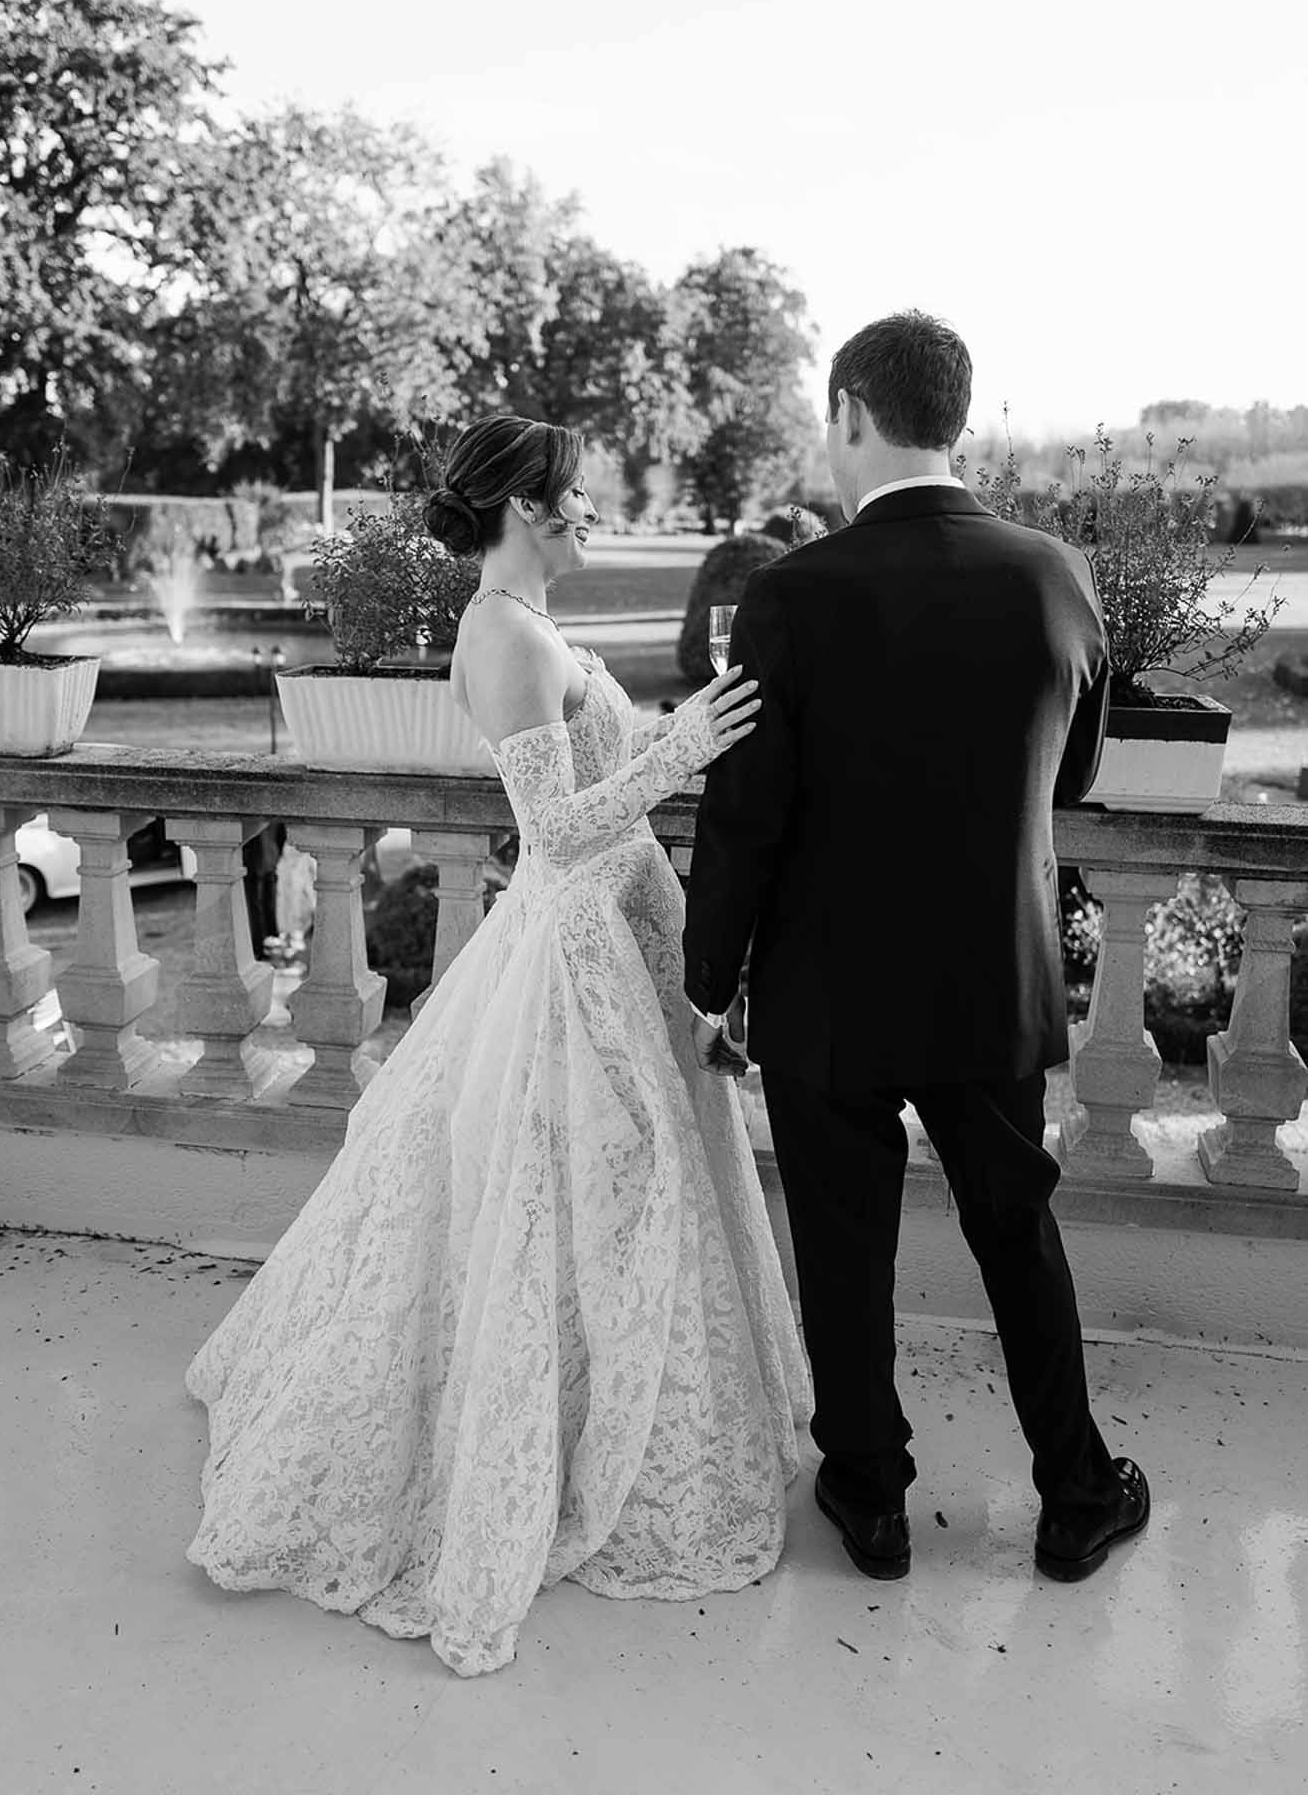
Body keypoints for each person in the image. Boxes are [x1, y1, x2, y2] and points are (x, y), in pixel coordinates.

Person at [185, 412, 810, 1678]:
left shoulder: (525, 626)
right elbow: (555, 827)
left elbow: (597, 828)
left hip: (611, 936)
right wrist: (681, 749)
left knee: (616, 1201)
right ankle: (559, 1443)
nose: (591, 512)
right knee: (579, 1203)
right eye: (576, 495)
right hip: (567, 959)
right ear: (526, 506)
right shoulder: (503, 633)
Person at [682, 311, 1149, 1586]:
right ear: (956, 416)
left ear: (849, 412)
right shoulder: (1054, 573)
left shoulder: (790, 594)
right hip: (991, 979)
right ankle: (1075, 1492)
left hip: (825, 990)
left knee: (841, 1243)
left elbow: (744, 814)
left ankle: (871, 1499)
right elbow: (1081, 766)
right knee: (1017, 1229)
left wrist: (707, 978)